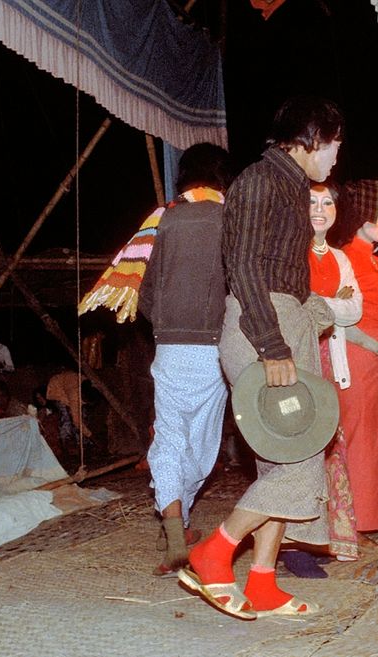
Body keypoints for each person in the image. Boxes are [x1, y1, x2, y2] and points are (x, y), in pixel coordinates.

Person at [179, 95, 344, 620]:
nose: (337, 157)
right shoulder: (258, 182)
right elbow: (245, 267)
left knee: (288, 455)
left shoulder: (291, 188)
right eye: (335, 145)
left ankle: (264, 581)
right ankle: (214, 552)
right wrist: (274, 345)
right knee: (298, 462)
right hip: (260, 328)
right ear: (311, 140)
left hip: (283, 321)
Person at [136, 142, 233, 577]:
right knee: (202, 446)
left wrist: (161, 320)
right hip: (214, 348)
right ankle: (181, 519)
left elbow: (142, 288)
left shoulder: (163, 219)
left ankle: (177, 525)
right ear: (221, 178)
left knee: (169, 439)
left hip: (170, 345)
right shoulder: (231, 218)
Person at [278, 181, 365, 578]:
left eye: (327, 202)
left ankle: (323, 536)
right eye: (311, 201)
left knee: (329, 448)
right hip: (296, 361)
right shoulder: (287, 251)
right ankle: (292, 543)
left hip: (331, 361)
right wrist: (330, 301)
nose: (320, 208)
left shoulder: (340, 257)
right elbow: (292, 305)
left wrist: (318, 301)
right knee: (296, 447)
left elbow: (354, 311)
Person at [327, 178, 378, 546]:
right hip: (357, 355)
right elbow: (342, 320)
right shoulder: (345, 257)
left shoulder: (375, 261)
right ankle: (348, 523)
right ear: (360, 218)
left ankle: (370, 520)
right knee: (356, 438)